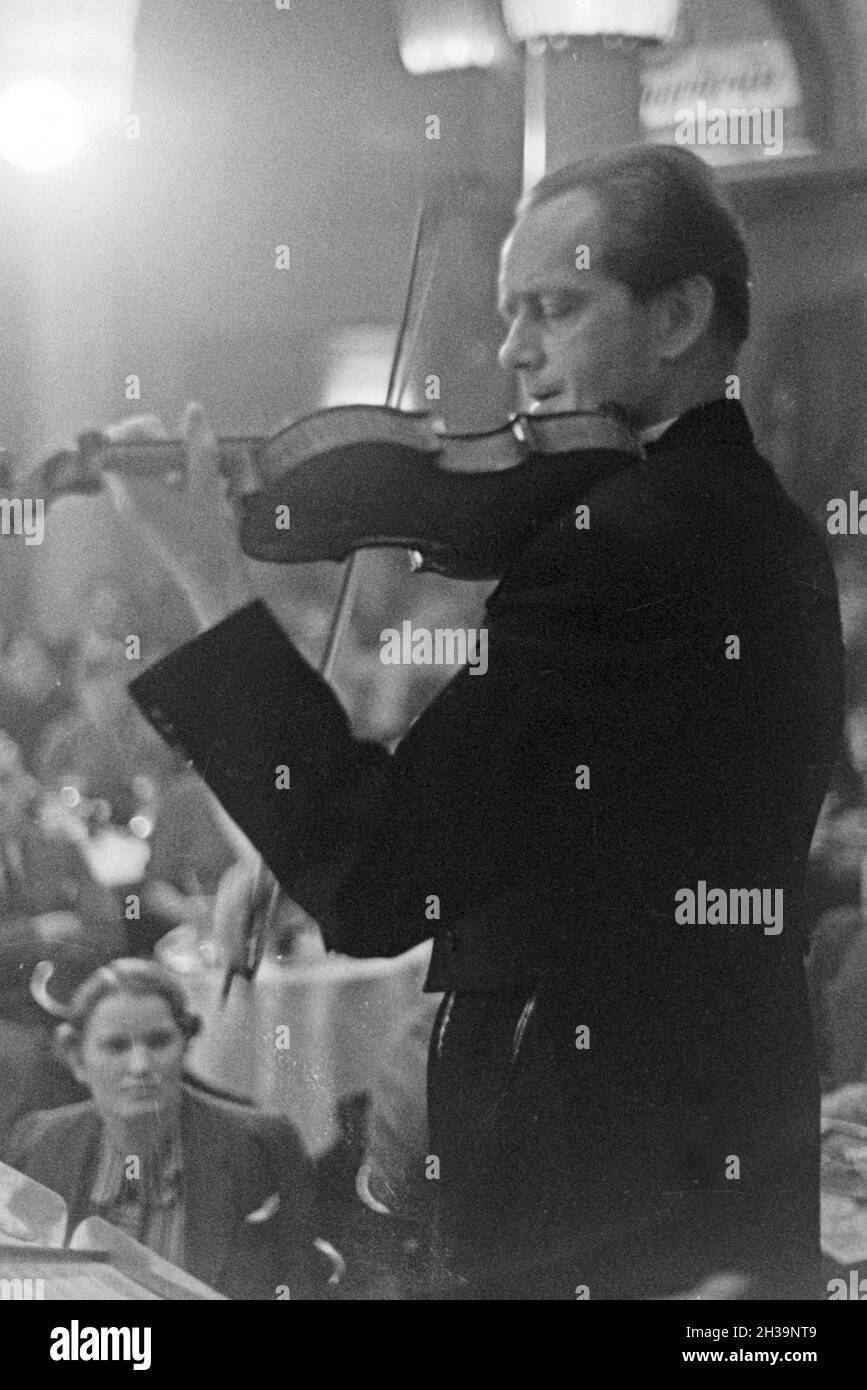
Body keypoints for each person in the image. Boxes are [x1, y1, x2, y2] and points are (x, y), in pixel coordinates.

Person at [106, 145, 843, 1299]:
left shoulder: (616, 551)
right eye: (508, 315)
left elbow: (383, 878)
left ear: (681, 314)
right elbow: (609, 824)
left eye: (555, 308)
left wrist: (211, 584)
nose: (513, 355)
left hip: (584, 1178)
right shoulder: (777, 536)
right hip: (736, 1124)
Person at [4, 958, 318, 1299]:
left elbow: (297, 1284)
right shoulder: (38, 1143)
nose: (140, 1066)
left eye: (158, 1042)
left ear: (186, 1044)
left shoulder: (260, 1144)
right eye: (116, 1046)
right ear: (77, 1058)